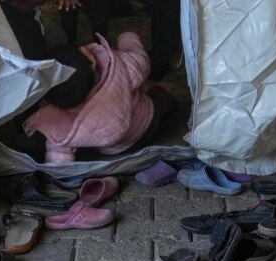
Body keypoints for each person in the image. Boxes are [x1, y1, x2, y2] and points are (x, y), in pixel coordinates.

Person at [22, 31, 175, 164]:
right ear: (91, 59)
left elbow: (59, 145)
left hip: (110, 149)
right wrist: (127, 38)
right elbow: (141, 62)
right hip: (146, 123)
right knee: (161, 102)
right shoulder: (118, 66)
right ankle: (169, 102)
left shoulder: (59, 113)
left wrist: (58, 174)